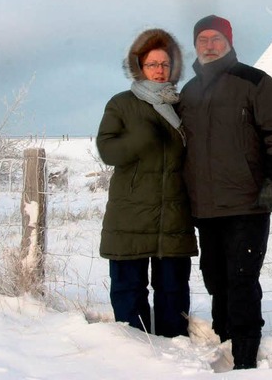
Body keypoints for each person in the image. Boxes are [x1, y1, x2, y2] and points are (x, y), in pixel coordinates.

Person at [178, 15, 272, 369]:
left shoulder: (255, 82)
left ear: (229, 42)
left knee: (242, 277)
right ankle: (225, 339)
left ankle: (245, 354)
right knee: (214, 276)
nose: (209, 45)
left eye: (216, 39)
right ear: (195, 45)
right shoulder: (189, 92)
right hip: (205, 204)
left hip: (247, 202)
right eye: (203, 40)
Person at [96, 28, 198, 337]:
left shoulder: (183, 105)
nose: (159, 70)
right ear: (140, 66)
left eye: (165, 64)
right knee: (129, 290)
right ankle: (134, 355)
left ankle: (174, 352)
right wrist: (140, 139)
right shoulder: (121, 104)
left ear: (173, 68)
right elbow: (107, 150)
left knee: (173, 290)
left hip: (174, 215)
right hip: (131, 215)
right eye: (152, 64)